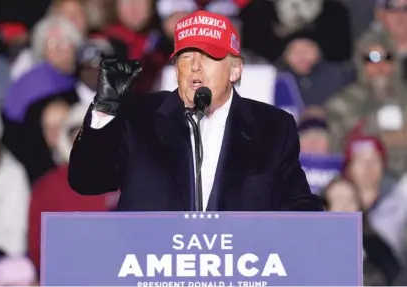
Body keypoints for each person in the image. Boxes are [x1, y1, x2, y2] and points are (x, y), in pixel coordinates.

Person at [68, 10, 322, 212]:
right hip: (151, 272)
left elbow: (298, 207)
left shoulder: (272, 127)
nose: (195, 67)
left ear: (235, 70)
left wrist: (325, 234)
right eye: (186, 57)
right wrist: (105, 109)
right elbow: (87, 180)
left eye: (208, 56)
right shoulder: (139, 117)